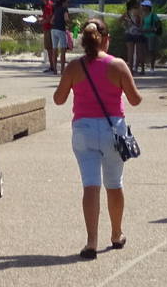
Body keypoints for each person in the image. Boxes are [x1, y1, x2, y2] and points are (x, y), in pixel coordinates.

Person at [54, 18, 142, 258]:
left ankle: (91, 241)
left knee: (90, 185)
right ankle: (116, 234)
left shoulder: (74, 67)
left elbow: (58, 99)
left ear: (83, 40)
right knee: (114, 183)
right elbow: (135, 99)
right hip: (113, 129)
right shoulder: (118, 65)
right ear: (106, 40)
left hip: (83, 130)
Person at [123, 0, 147, 73]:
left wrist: (126, 26)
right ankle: (142, 69)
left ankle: (130, 70)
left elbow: (120, 20)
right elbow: (142, 23)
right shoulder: (140, 12)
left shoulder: (127, 13)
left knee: (130, 52)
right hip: (139, 33)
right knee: (140, 52)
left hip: (129, 33)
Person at [50, 0, 72, 72]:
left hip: (53, 30)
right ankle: (62, 69)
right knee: (63, 50)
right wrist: (70, 23)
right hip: (61, 30)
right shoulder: (65, 9)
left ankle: (55, 69)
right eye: (68, 2)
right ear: (64, 2)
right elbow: (66, 19)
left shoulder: (56, 9)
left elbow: (51, 21)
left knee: (54, 49)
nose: (68, 4)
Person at [140, 0, 164, 71]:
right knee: (144, 51)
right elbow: (142, 24)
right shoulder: (143, 15)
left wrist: (153, 29)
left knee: (151, 51)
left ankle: (152, 67)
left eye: (143, 6)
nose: (142, 7)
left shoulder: (153, 15)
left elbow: (159, 24)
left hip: (151, 36)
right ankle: (143, 67)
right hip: (144, 35)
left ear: (147, 7)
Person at [39, 0, 56, 71]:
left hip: (49, 29)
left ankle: (52, 66)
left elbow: (49, 18)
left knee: (50, 49)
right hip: (47, 29)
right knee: (50, 49)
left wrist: (41, 21)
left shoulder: (49, 5)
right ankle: (52, 66)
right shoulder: (47, 5)